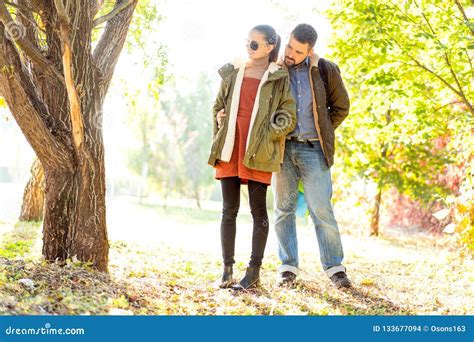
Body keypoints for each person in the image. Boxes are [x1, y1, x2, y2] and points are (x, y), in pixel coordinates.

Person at [208, 24, 296, 290]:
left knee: (258, 211)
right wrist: (220, 119)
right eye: (247, 42)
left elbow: (287, 115)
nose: (249, 47)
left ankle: (253, 273)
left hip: (259, 149)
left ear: (270, 47)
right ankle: (227, 270)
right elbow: (217, 107)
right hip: (231, 147)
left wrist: (268, 133)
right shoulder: (233, 71)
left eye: (254, 44)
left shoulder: (279, 76)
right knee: (228, 210)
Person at [273, 23, 352, 288]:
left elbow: (341, 107)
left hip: (314, 149)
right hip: (283, 149)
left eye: (298, 51)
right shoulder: (277, 69)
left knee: (321, 209)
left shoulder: (325, 69)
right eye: (290, 46)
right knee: (283, 209)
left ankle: (334, 268)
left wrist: (323, 129)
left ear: (310, 51)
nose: (291, 53)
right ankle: (287, 267)